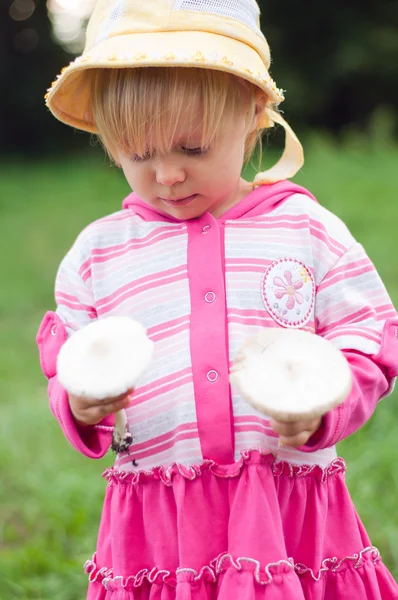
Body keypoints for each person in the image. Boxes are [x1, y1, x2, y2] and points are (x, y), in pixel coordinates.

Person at [37, 0, 398, 598]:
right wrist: (79, 405)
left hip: (283, 507)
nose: (168, 175)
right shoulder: (98, 256)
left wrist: (322, 407)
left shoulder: (306, 230)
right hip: (162, 519)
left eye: (193, 148)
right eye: (138, 154)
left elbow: (368, 335)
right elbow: (70, 365)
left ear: (254, 117)